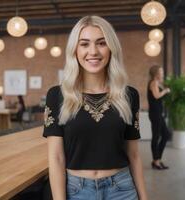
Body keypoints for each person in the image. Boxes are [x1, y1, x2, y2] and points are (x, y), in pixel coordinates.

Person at [43, 16, 148, 200]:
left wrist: (144, 197)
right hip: (76, 191)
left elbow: (134, 155)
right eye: (84, 44)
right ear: (75, 50)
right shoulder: (57, 96)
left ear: (111, 48)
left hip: (122, 190)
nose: (93, 51)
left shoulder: (129, 96)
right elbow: (57, 158)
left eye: (101, 43)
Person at [147, 65, 171, 170]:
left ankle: (157, 159)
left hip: (158, 113)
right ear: (156, 73)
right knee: (156, 137)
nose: (162, 73)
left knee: (165, 135)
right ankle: (156, 161)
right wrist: (165, 91)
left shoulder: (157, 83)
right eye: (161, 72)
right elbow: (157, 96)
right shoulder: (153, 82)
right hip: (155, 114)